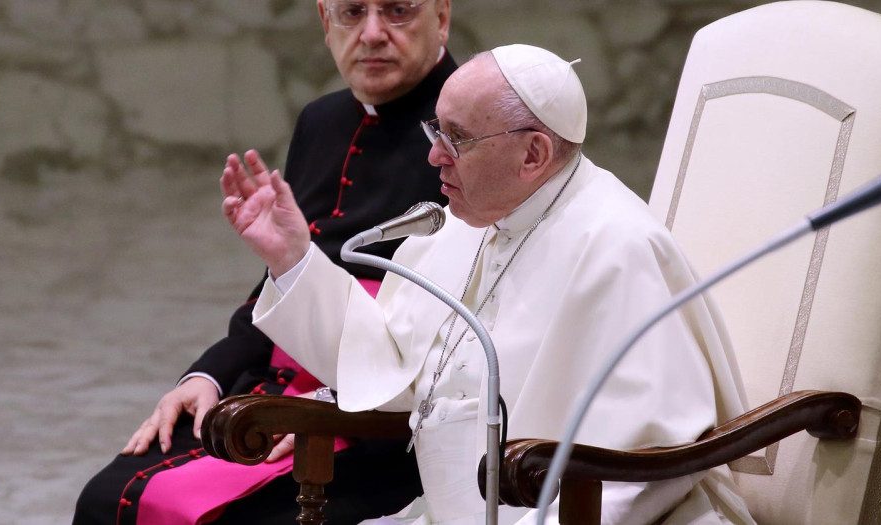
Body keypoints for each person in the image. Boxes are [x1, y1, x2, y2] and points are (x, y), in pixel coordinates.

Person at [222, 44, 756, 524]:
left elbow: (637, 469)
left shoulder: (618, 250)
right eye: (437, 130)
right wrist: (292, 258)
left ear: (534, 154)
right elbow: (385, 363)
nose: (433, 155)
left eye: (457, 138)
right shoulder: (463, 223)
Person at [74, 0, 454, 523]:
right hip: (275, 388)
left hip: (388, 418)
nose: (371, 34)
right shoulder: (322, 121)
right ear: (325, 21)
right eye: (351, 12)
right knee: (108, 498)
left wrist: (340, 404)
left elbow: (470, 317)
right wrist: (205, 376)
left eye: (397, 11)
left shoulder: (469, 129)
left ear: (442, 17)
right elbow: (279, 285)